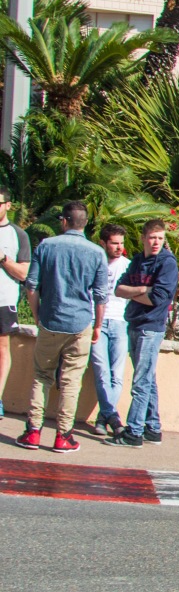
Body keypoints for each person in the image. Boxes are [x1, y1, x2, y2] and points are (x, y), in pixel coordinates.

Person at [15, 202, 109, 453]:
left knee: (42, 376)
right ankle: (63, 436)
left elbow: (31, 286)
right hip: (80, 324)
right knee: (71, 381)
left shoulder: (46, 246)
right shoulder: (97, 253)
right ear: (84, 223)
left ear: (64, 221)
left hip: (50, 321)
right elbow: (101, 297)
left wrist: (37, 317)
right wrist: (97, 326)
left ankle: (33, 432)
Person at [107, 219, 178, 448]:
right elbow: (118, 289)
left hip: (151, 327)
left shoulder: (167, 263)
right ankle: (152, 427)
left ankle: (134, 432)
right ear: (143, 238)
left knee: (140, 381)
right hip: (135, 323)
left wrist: (133, 293)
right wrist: (141, 290)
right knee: (148, 378)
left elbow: (158, 297)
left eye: (160, 238)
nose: (156, 242)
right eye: (152, 238)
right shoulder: (137, 260)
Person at [89, 224, 130, 436]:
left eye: (121, 243)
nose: (119, 247)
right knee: (101, 372)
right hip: (96, 322)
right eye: (114, 243)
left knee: (117, 374)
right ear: (103, 243)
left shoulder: (128, 266)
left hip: (120, 322)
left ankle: (103, 417)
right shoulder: (95, 263)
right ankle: (113, 418)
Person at [0, 188, 31, 418]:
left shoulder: (18, 235)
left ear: (8, 205)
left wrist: (3, 259)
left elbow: (23, 273)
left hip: (4, 301)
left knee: (2, 350)